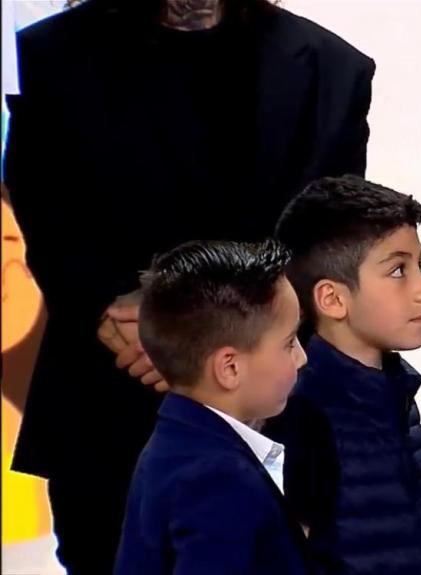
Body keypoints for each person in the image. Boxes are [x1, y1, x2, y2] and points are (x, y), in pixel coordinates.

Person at [2, 0, 373, 571]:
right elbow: (50, 216)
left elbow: (322, 240)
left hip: (273, 418)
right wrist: (121, 315)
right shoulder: (52, 55)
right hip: (105, 412)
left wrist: (183, 332)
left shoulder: (331, 70)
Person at [265, 175, 421, 575]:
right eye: (398, 271)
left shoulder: (396, 393)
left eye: (420, 266)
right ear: (332, 299)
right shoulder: (297, 411)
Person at [113, 239, 311, 575]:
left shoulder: (178, 439)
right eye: (289, 343)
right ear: (229, 368)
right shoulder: (219, 478)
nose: (302, 357)